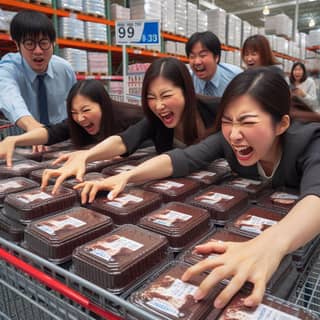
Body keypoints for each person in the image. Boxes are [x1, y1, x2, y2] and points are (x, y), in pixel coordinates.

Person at [74, 68, 320, 311]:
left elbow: (315, 198)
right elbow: (184, 158)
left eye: (247, 122)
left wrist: (271, 243)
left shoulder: (310, 142)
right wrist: (127, 177)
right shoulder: (228, 140)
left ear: (281, 124)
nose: (234, 134)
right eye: (227, 121)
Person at [41, 57, 220, 193]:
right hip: (181, 190)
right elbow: (124, 141)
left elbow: (187, 157)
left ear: (186, 91)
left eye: (166, 95)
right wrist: (86, 157)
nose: (158, 105)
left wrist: (126, 176)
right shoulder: (156, 120)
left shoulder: (217, 111)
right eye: (151, 98)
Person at [0, 80, 144, 166]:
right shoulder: (77, 124)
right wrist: (14, 140)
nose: (80, 118)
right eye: (74, 112)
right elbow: (52, 133)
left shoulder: (132, 117)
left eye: (86, 110)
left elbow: (148, 145)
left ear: (103, 105)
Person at [0, 10, 76, 132]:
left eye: (44, 43)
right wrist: (32, 126)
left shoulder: (65, 69)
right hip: (24, 140)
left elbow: (76, 103)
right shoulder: (9, 68)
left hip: (61, 139)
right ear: (17, 45)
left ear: (53, 43)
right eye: (29, 44)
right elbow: (8, 95)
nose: (38, 51)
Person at [186, 31, 242, 97]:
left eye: (203, 55)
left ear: (216, 57)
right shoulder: (187, 80)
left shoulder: (236, 77)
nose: (197, 62)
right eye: (192, 56)